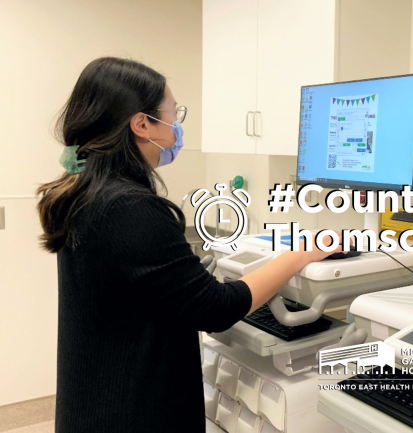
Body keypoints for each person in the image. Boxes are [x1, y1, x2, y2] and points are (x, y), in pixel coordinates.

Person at [36, 57, 343, 433]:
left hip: (96, 404)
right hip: (132, 414)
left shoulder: (86, 192)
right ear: (141, 124)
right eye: (173, 113)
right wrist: (301, 255)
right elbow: (215, 308)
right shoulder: (130, 208)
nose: (177, 126)